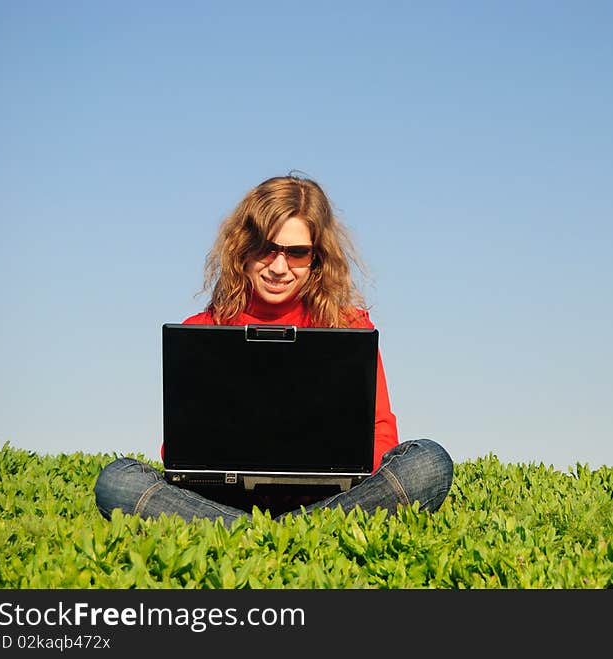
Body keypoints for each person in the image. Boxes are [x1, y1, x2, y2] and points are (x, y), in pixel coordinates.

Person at [94, 174, 454, 528]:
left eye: (297, 253)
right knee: (118, 480)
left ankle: (248, 532)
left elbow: (380, 430)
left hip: (327, 499)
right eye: (267, 248)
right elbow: (181, 453)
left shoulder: (348, 326)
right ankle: (296, 532)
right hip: (224, 498)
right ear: (243, 248)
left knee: (428, 463)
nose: (280, 267)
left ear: (316, 258)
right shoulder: (202, 329)